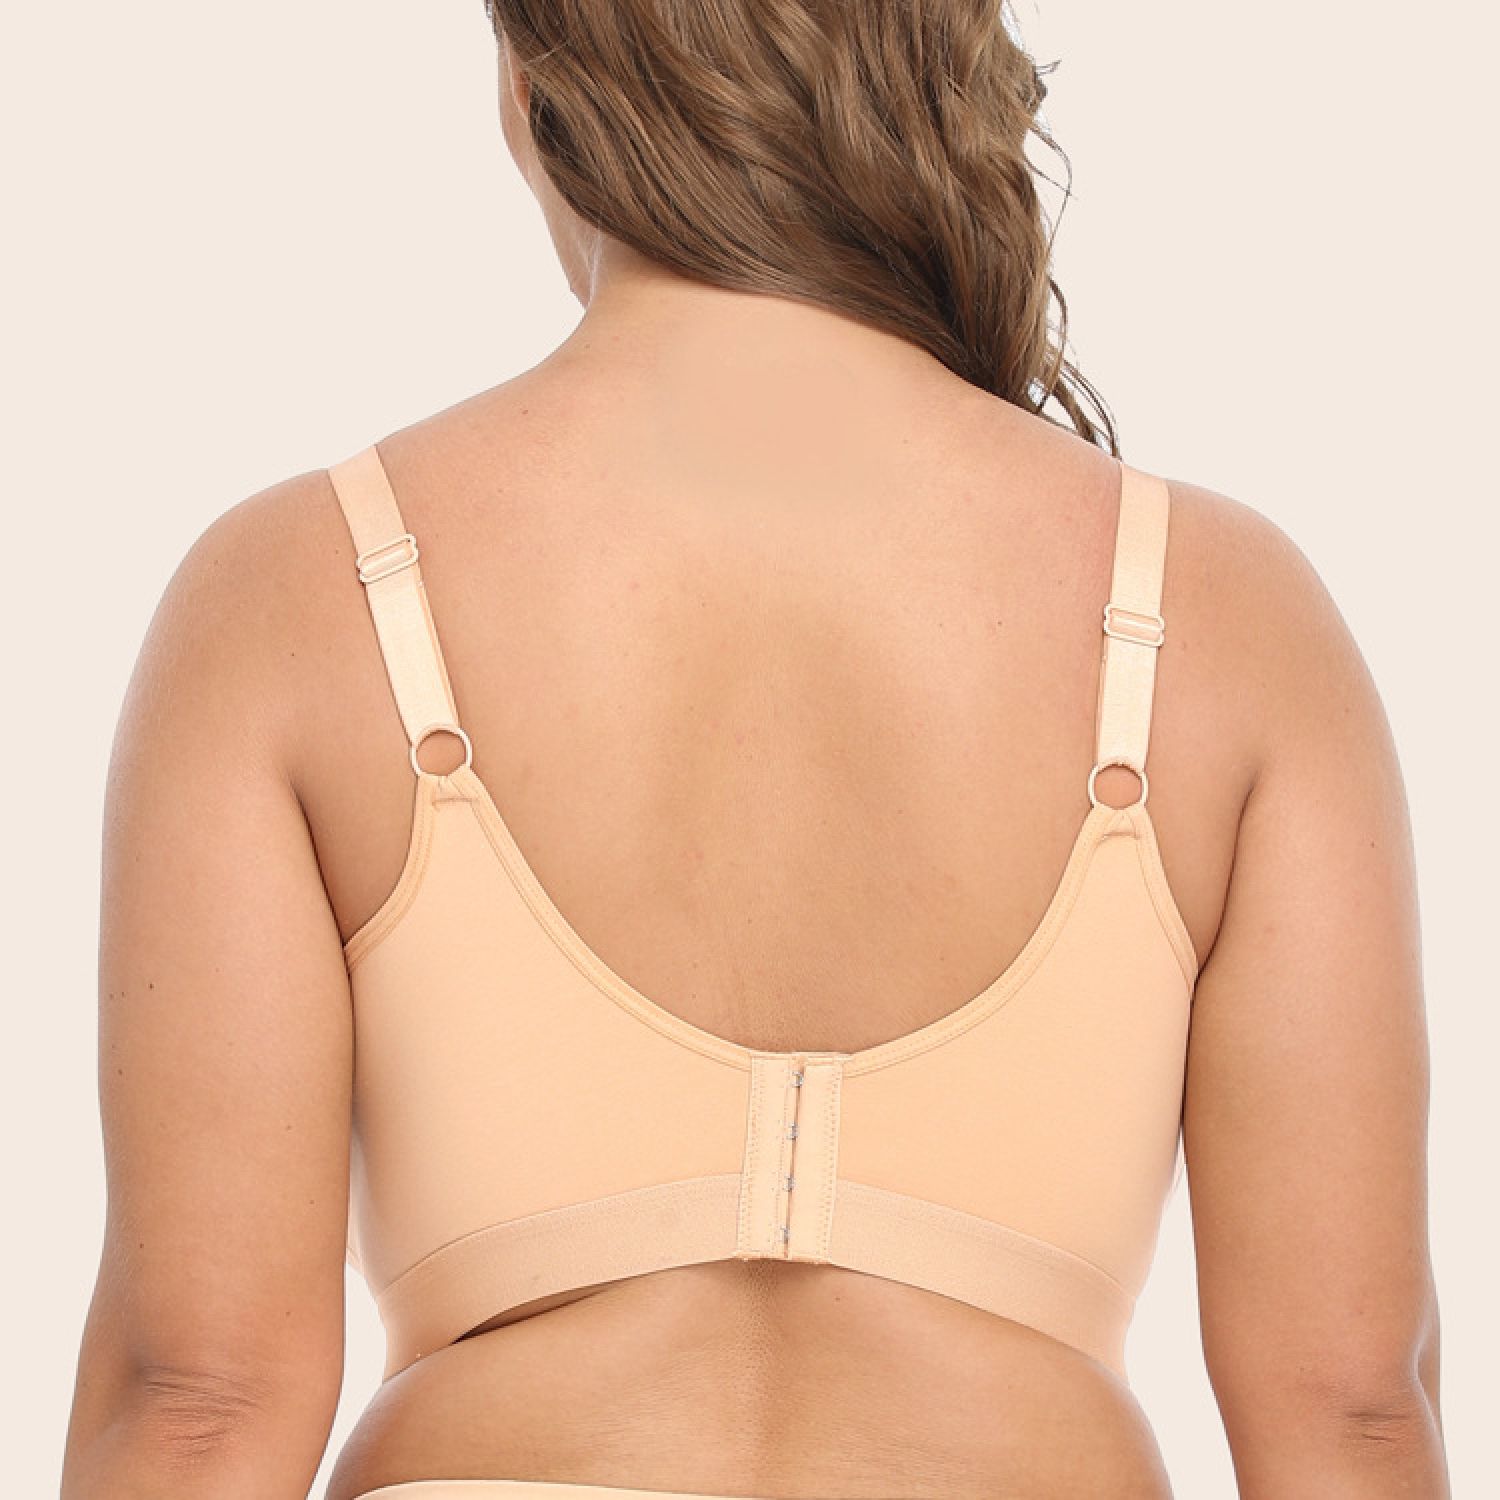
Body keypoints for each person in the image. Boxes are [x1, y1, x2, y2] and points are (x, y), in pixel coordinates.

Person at [61, 4, 1448, 1498]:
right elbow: (1349, 1413)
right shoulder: (1223, 616)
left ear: (535, 85)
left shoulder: (296, 594)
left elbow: (198, 1400)